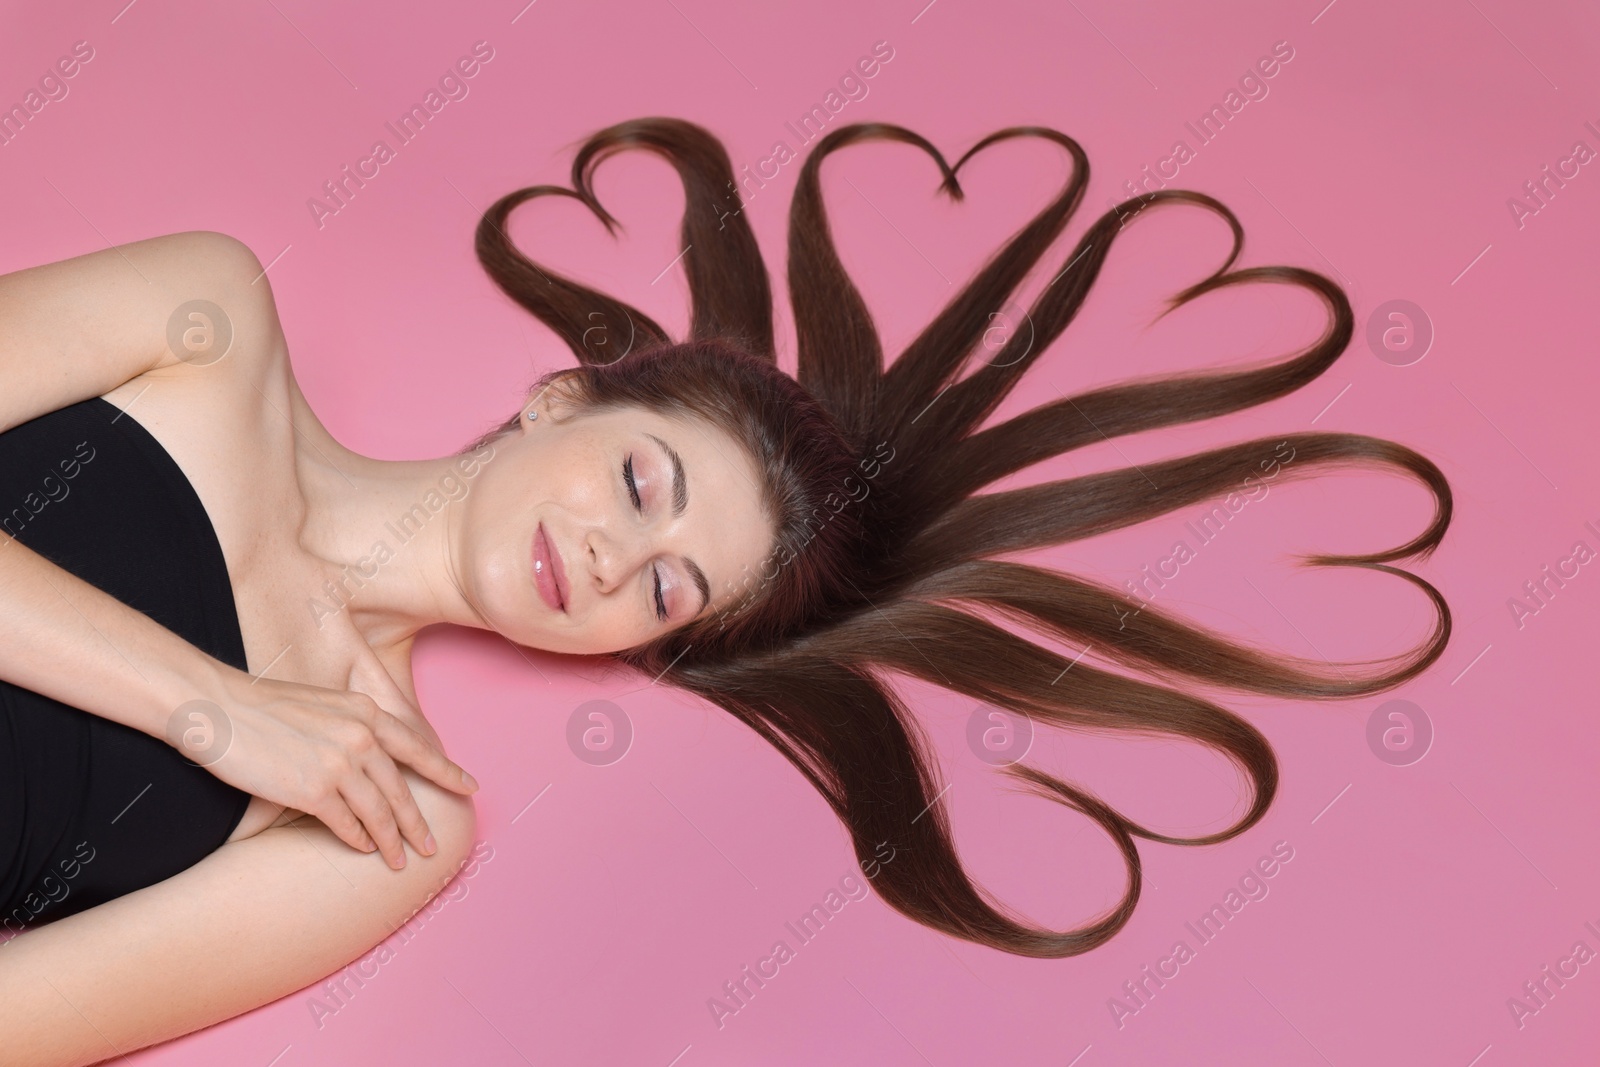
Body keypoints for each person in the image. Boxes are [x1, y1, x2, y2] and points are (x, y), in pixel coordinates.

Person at [0, 116, 1452, 1064]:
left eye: (673, 586)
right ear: (561, 399)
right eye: (644, 484)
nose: (625, 559)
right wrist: (216, 712)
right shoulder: (206, 323)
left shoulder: (396, 813)